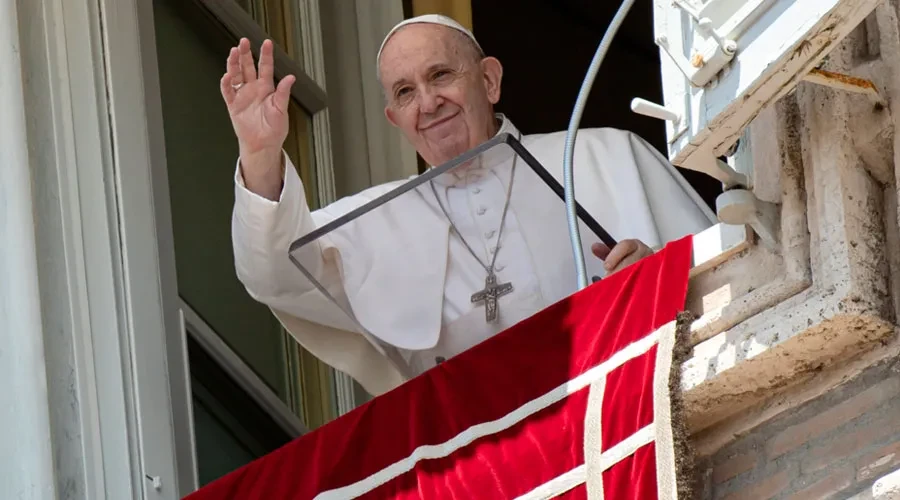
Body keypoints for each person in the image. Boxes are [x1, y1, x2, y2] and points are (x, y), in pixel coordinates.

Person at [223, 15, 714, 396]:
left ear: (490, 81)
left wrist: (660, 276)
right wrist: (262, 154)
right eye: (406, 92)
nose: (429, 102)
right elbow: (274, 273)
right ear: (396, 120)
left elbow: (728, 273)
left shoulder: (606, 156)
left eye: (440, 75)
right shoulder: (375, 220)